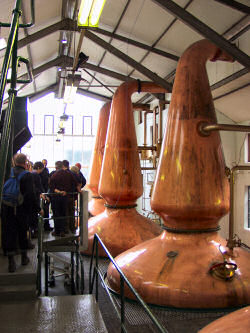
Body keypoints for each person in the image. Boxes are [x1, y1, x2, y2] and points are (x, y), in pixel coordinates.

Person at [1, 153, 43, 273]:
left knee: (8, 232)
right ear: (25, 162)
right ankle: (24, 258)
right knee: (22, 232)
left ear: (14, 162)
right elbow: (30, 194)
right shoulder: (27, 175)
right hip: (21, 209)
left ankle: (11, 262)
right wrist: (37, 208)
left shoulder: (7, 172)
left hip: (7, 208)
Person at [49, 160, 80, 236]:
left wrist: (59, 191)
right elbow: (74, 183)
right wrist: (66, 191)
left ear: (56, 167)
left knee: (56, 215)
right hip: (65, 197)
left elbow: (51, 186)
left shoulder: (54, 175)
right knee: (64, 214)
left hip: (56, 198)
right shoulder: (69, 174)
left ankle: (57, 231)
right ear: (63, 166)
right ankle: (63, 231)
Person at [40, 159, 52, 231]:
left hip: (45, 193)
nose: (45, 165)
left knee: (46, 210)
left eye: (46, 163)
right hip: (42, 194)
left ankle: (46, 225)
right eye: (44, 163)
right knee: (44, 210)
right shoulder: (40, 173)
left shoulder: (46, 170)